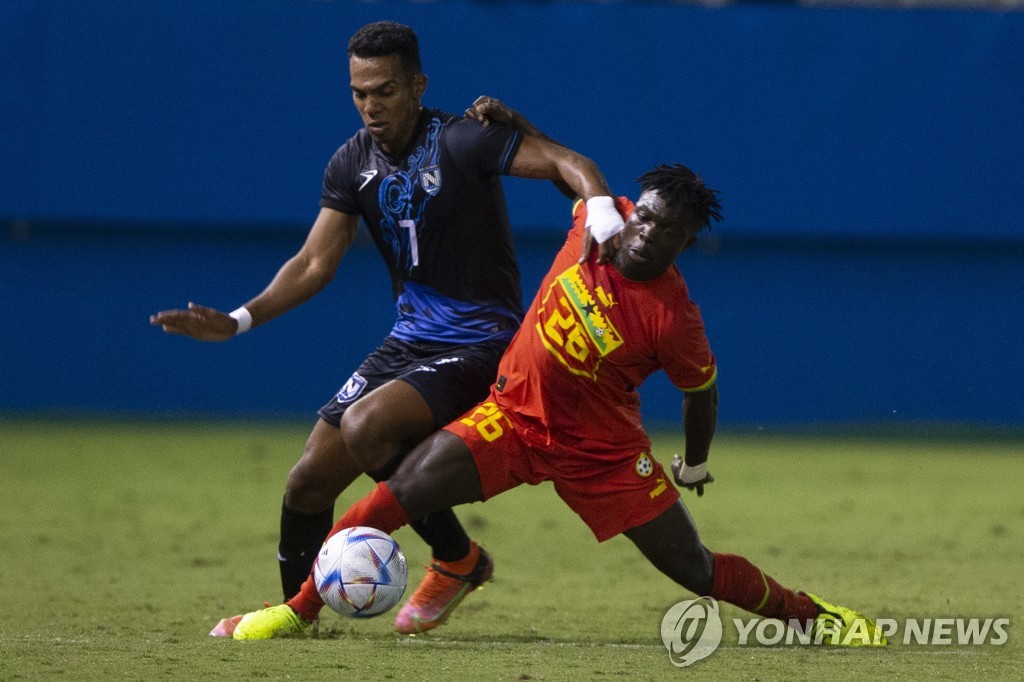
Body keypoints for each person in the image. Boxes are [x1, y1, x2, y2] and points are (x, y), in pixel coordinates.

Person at [227, 100, 888, 646]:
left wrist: (692, 462)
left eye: (669, 232)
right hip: (512, 417)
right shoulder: (599, 224)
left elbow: (701, 394)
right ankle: (299, 611)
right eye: (647, 214)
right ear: (636, 206)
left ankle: (815, 619)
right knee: (391, 496)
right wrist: (519, 124)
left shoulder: (673, 319)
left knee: (694, 568)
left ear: (686, 245)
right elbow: (560, 173)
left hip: (600, 454)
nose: (648, 233)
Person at [150, 22, 625, 637]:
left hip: (483, 341)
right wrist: (240, 320)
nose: (371, 105)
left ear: (417, 85)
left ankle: (456, 560)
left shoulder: (461, 141)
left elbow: (571, 163)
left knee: (366, 427)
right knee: (308, 480)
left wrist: (604, 212)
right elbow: (315, 262)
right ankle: (301, 620)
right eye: (358, 92)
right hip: (410, 341)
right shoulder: (351, 161)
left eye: (385, 90)